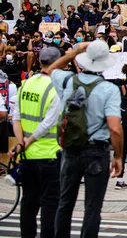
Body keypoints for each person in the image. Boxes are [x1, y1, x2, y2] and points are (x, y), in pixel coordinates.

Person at [48, 41, 124, 238]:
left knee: (65, 202)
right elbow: (115, 127)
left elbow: (51, 69)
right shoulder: (109, 89)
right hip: (96, 151)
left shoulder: (66, 80)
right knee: (92, 207)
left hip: (70, 148)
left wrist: (74, 52)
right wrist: (118, 155)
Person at [8, 48, 62, 238]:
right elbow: (49, 123)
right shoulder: (54, 88)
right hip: (48, 155)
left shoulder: (26, 84)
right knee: (49, 206)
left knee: (28, 203)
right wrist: (29, 140)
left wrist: (22, 142)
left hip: (27, 157)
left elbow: (16, 117)